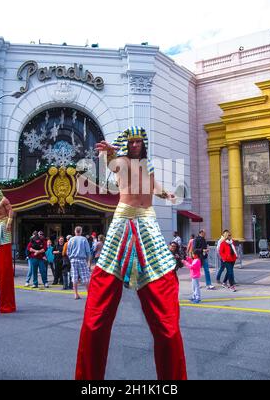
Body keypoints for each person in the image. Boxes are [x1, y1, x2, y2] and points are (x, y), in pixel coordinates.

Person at [75, 126, 187, 381]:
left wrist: (166, 193)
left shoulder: (147, 165)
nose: (135, 145)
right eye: (132, 141)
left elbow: (153, 186)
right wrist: (109, 154)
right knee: (101, 297)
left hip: (148, 222)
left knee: (163, 294)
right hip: (123, 220)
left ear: (144, 143)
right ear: (127, 144)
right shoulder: (122, 161)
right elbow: (113, 164)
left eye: (139, 141)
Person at [67, 227, 91, 299]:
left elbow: (68, 252)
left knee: (74, 277)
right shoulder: (84, 239)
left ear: (75, 231)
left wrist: (71, 258)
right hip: (82, 259)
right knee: (85, 277)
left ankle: (76, 294)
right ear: (81, 231)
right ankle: (89, 294)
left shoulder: (71, 239)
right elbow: (88, 252)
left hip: (73, 260)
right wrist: (89, 262)